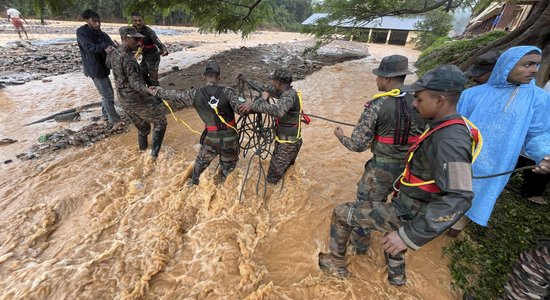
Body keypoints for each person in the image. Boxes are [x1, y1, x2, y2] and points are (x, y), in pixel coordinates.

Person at [318, 65, 476, 286]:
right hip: (408, 198)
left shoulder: (450, 140)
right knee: (393, 232)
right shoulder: (443, 126)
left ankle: (337, 263)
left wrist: (410, 235)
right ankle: (396, 280)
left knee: (343, 213)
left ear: (440, 101)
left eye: (419, 99)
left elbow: (460, 197)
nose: (413, 103)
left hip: (410, 209)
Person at [333, 55, 426, 253]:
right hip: (411, 171)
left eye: (378, 76)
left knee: (366, 209)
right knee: (398, 212)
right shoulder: (420, 102)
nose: (376, 80)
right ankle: (393, 253)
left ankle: (360, 249)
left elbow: (358, 145)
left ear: (387, 79)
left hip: (381, 170)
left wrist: (340, 136)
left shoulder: (376, 105)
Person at [458, 46, 550, 228]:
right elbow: (455, 128)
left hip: (497, 165)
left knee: (477, 198)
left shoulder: (538, 99)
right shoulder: (472, 95)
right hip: (462, 158)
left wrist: (544, 154)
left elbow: (538, 133)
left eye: (537, 65)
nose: (534, 70)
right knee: (450, 191)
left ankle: (458, 226)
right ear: (506, 65)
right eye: (527, 64)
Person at [148, 61, 242, 184]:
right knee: (227, 173)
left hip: (210, 140)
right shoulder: (229, 92)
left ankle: (191, 185)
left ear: (202, 77)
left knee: (198, 169)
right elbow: (242, 108)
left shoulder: (194, 94)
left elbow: (174, 94)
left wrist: (156, 91)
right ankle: (221, 186)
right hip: (230, 140)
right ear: (219, 77)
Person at [106, 26, 167, 159]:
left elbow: (108, 64)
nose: (139, 43)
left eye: (139, 39)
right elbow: (135, 83)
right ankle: (154, 155)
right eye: (136, 40)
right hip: (136, 99)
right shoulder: (128, 59)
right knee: (161, 122)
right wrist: (147, 89)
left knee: (144, 129)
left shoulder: (114, 53)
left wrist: (110, 50)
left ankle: (142, 153)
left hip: (123, 99)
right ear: (125, 39)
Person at [239, 68, 304, 185]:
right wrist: (247, 80)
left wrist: (256, 102)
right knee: (286, 172)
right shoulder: (285, 91)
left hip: (287, 146)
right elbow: (265, 88)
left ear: (279, 83)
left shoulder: (289, 96)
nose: (271, 82)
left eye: (273, 80)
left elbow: (278, 111)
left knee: (271, 180)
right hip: (290, 142)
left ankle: (271, 199)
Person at [76, 9, 121, 124]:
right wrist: (104, 47)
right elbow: (89, 47)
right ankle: (114, 121)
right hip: (94, 68)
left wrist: (115, 46)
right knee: (107, 95)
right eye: (94, 21)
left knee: (107, 93)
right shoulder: (82, 32)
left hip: (104, 67)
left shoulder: (102, 34)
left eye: (99, 21)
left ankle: (105, 115)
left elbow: (110, 44)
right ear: (87, 20)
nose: (97, 24)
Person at [131, 12, 168, 87]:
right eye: (135, 21)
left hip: (153, 57)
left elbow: (159, 43)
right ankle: (149, 89)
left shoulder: (149, 32)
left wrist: (164, 50)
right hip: (144, 55)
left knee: (153, 79)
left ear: (143, 20)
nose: (138, 23)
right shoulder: (132, 30)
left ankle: (158, 96)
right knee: (141, 74)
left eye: (140, 20)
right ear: (132, 21)